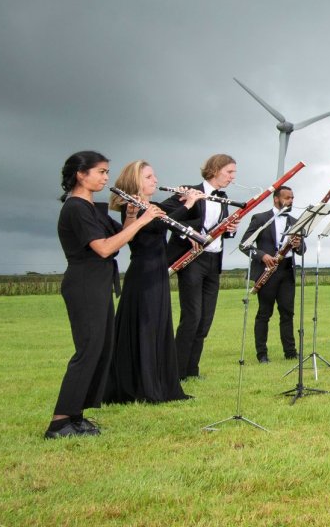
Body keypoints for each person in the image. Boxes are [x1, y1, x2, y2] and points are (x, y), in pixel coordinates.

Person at [49, 151, 163, 438]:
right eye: (100, 172)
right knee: (88, 350)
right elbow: (103, 248)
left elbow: (122, 236)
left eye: (106, 172)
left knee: (101, 350)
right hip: (84, 284)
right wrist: (144, 220)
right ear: (81, 174)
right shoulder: (76, 207)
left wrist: (132, 216)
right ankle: (59, 422)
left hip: (98, 283)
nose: (106, 177)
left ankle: (76, 416)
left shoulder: (90, 207)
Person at [104, 160, 196, 405]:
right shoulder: (131, 207)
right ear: (135, 181)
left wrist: (184, 199)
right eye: (148, 177)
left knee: (158, 326)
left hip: (157, 271)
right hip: (143, 274)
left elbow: (167, 216)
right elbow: (157, 224)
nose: (155, 180)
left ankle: (160, 384)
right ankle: (145, 387)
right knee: (146, 327)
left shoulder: (151, 205)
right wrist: (188, 203)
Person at [166, 153, 239, 381]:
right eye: (229, 172)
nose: (232, 177)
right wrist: (187, 233)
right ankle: (176, 372)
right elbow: (169, 217)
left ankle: (192, 370)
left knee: (206, 319)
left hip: (213, 261)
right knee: (192, 317)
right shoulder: (188, 191)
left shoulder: (224, 198)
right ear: (215, 170)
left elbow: (220, 230)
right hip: (193, 260)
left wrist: (231, 229)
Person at [243, 186, 305, 363]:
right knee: (264, 314)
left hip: (286, 271)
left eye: (292, 198)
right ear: (276, 199)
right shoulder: (260, 218)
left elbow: (303, 250)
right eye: (287, 198)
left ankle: (290, 352)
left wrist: (298, 245)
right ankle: (262, 354)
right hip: (267, 270)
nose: (290, 201)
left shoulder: (295, 221)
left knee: (287, 313)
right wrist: (262, 256)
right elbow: (244, 244)